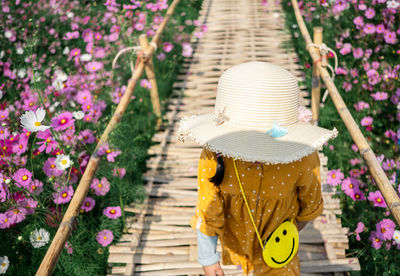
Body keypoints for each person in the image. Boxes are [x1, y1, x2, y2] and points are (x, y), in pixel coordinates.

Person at [177, 61, 338, 275]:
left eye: (264, 149)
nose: (254, 157)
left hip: (280, 252)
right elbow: (208, 208)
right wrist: (208, 258)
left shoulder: (301, 157)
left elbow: (310, 205)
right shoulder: (214, 156)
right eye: (244, 146)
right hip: (236, 242)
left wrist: (285, 232)